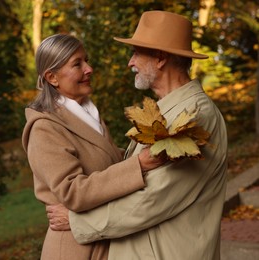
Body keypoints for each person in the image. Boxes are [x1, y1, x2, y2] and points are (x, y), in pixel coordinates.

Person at [46, 11, 228, 260]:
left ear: (161, 58)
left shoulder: (195, 116)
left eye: (136, 54)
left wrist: (78, 222)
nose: (130, 63)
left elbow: (154, 199)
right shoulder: (164, 112)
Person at [22, 33, 165, 260]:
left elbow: (106, 161)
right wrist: (138, 164)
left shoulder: (86, 113)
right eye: (77, 64)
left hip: (100, 238)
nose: (89, 69)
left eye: (86, 60)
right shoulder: (44, 128)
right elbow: (72, 192)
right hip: (73, 248)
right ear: (52, 77)